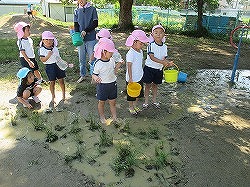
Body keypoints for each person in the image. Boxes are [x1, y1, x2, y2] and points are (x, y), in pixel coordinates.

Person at [92, 38, 123, 124]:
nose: (112, 53)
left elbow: (114, 71)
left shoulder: (112, 60)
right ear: (103, 52)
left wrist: (119, 64)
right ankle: (102, 117)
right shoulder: (98, 63)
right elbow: (94, 74)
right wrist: (95, 78)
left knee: (113, 102)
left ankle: (114, 117)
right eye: (110, 52)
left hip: (112, 84)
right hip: (102, 86)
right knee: (101, 102)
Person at [142, 25, 174, 109]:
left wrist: (168, 63)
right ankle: (146, 101)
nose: (158, 34)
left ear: (164, 35)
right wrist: (163, 62)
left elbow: (164, 58)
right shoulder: (150, 45)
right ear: (152, 35)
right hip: (149, 68)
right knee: (148, 85)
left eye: (161, 33)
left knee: (155, 85)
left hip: (159, 69)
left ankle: (154, 101)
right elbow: (152, 57)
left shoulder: (165, 47)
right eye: (156, 33)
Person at [39, 31, 66, 109]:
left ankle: (63, 94)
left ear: (53, 40)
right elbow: (43, 60)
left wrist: (64, 63)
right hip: (50, 67)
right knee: (52, 82)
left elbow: (58, 58)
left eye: (50, 40)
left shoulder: (55, 48)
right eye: (46, 39)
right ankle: (53, 97)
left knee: (61, 81)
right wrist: (48, 55)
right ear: (43, 40)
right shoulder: (42, 49)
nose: (48, 41)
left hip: (58, 66)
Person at [125, 30, 149, 115]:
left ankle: (135, 105)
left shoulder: (141, 51)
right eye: (140, 43)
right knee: (131, 94)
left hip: (139, 76)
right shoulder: (131, 53)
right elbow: (129, 66)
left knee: (138, 93)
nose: (142, 45)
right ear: (134, 42)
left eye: (143, 44)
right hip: (132, 78)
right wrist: (130, 78)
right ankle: (131, 107)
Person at [74, 0, 98, 83]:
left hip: (91, 38)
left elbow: (95, 23)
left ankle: (94, 76)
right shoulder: (76, 10)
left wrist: (86, 30)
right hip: (80, 39)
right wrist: (77, 34)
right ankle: (82, 75)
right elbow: (76, 24)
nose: (80, 1)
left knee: (93, 59)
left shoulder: (92, 9)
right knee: (81, 59)